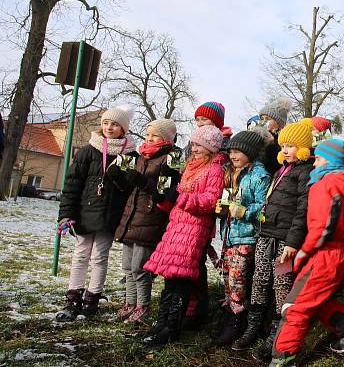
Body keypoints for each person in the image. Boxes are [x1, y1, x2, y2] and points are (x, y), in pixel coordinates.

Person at [258, 138, 344, 367]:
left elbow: (322, 227)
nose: (314, 163)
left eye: (318, 159)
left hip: (325, 254)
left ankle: (283, 359)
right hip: (340, 252)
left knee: (295, 306)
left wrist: (303, 253)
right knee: (315, 300)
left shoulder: (324, 184)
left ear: (329, 160)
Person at [142, 125, 225, 345]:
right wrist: (165, 198)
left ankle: (172, 327)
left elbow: (210, 200)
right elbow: (179, 195)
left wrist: (181, 199)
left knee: (181, 278)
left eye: (199, 145)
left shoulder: (215, 169)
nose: (194, 148)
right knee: (169, 277)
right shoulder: (190, 165)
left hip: (195, 228)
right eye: (194, 144)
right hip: (177, 226)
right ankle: (162, 322)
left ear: (211, 148)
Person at [56, 105, 138, 322]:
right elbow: (72, 184)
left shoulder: (130, 154)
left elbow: (130, 189)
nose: (109, 127)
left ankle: (92, 300)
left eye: (115, 124)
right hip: (85, 213)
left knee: (100, 257)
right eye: (106, 123)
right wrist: (65, 214)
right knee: (80, 255)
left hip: (110, 216)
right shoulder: (88, 150)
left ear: (123, 128)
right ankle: (73, 298)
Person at [248, 121, 314, 358]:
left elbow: (302, 211)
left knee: (281, 284)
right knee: (259, 279)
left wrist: (292, 242)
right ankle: (253, 326)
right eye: (283, 145)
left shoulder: (305, 173)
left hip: (285, 241)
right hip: (267, 234)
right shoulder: (281, 170)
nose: (285, 150)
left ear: (304, 147)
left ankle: (277, 333)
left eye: (291, 146)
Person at [110, 118, 180, 324]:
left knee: (139, 267)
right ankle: (130, 302)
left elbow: (165, 191)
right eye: (148, 134)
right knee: (127, 266)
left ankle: (143, 305)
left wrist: (143, 181)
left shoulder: (172, 157)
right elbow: (128, 187)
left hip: (150, 217)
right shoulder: (140, 155)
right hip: (132, 215)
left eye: (154, 135)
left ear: (166, 138)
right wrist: (118, 178)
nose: (149, 138)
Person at [214, 131, 271, 346]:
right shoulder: (231, 172)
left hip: (246, 236)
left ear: (250, 152)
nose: (233, 155)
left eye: (238, 151)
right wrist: (221, 209)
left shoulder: (259, 175)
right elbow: (227, 200)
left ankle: (238, 323)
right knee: (227, 277)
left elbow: (264, 207)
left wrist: (244, 211)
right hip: (229, 234)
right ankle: (229, 317)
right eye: (231, 151)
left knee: (237, 280)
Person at [184, 101, 227, 330]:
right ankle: (188, 304)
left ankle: (197, 306)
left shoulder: (222, 150)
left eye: (205, 120)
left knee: (196, 262)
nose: (200, 124)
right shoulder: (192, 147)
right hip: (184, 218)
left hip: (202, 218)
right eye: (198, 120)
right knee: (186, 262)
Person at [257, 97, 292, 175]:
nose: (264, 121)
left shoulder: (284, 140)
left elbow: (277, 164)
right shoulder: (258, 136)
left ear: (278, 122)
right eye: (262, 118)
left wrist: (271, 144)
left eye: (268, 118)